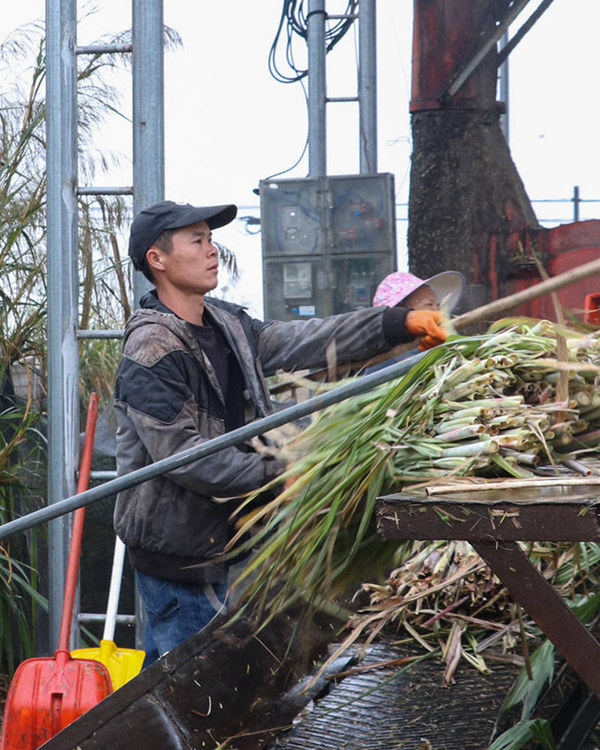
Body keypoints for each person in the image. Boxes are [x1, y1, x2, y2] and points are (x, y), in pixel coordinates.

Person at [113, 200, 450, 665]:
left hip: (231, 546)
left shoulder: (229, 325)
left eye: (211, 239)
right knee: (194, 698)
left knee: (187, 698)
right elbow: (188, 458)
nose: (212, 250)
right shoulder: (151, 348)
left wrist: (398, 324)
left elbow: (306, 339)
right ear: (158, 259)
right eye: (197, 240)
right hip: (181, 562)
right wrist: (282, 475)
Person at [364, 270, 465, 373]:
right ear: (402, 311)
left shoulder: (435, 348)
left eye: (438, 306)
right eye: (429, 305)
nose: (438, 313)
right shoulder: (382, 362)